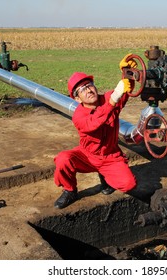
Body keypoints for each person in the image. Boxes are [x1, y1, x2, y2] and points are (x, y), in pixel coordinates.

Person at [53, 54, 138, 209]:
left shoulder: (106, 98)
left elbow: (125, 91)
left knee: (129, 184)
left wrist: (128, 72)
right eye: (82, 90)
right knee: (63, 159)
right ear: (77, 99)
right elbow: (94, 123)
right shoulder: (79, 115)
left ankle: (105, 175)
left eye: (89, 85)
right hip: (87, 155)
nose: (88, 90)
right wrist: (113, 100)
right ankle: (70, 190)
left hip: (110, 155)